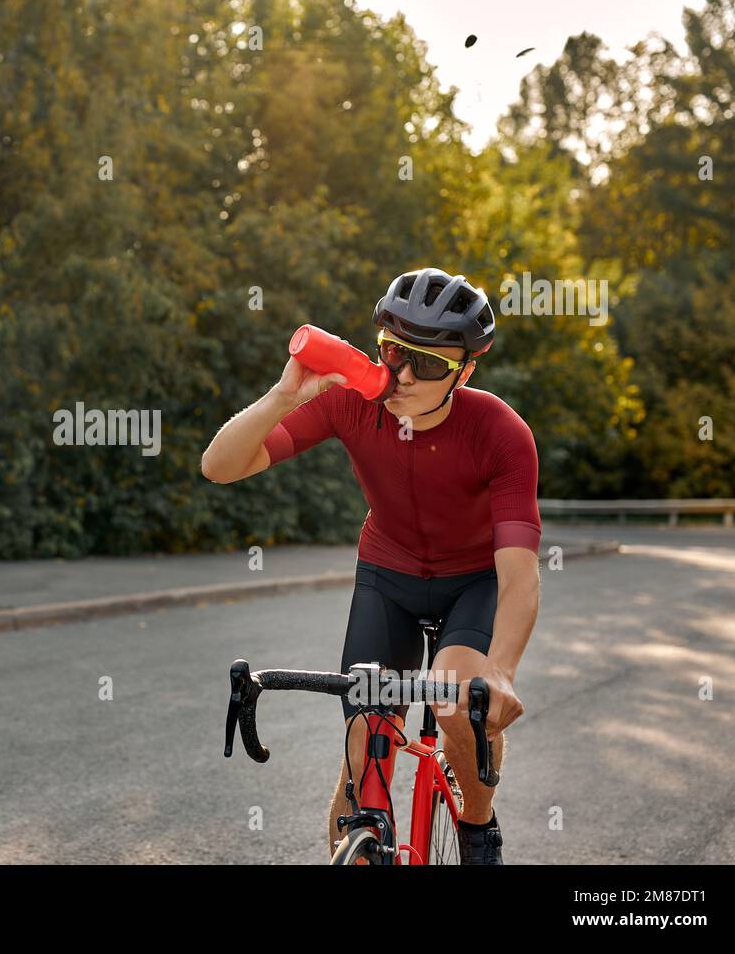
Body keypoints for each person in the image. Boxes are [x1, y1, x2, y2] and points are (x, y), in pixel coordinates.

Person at [200, 267, 541, 864]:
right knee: (365, 749)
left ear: (465, 370)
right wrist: (286, 395)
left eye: (427, 365)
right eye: (392, 353)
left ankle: (478, 827)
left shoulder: (499, 432)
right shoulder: (352, 404)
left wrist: (503, 671)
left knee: (458, 708)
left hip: (472, 584)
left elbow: (518, 574)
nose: (402, 376)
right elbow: (220, 466)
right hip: (389, 576)